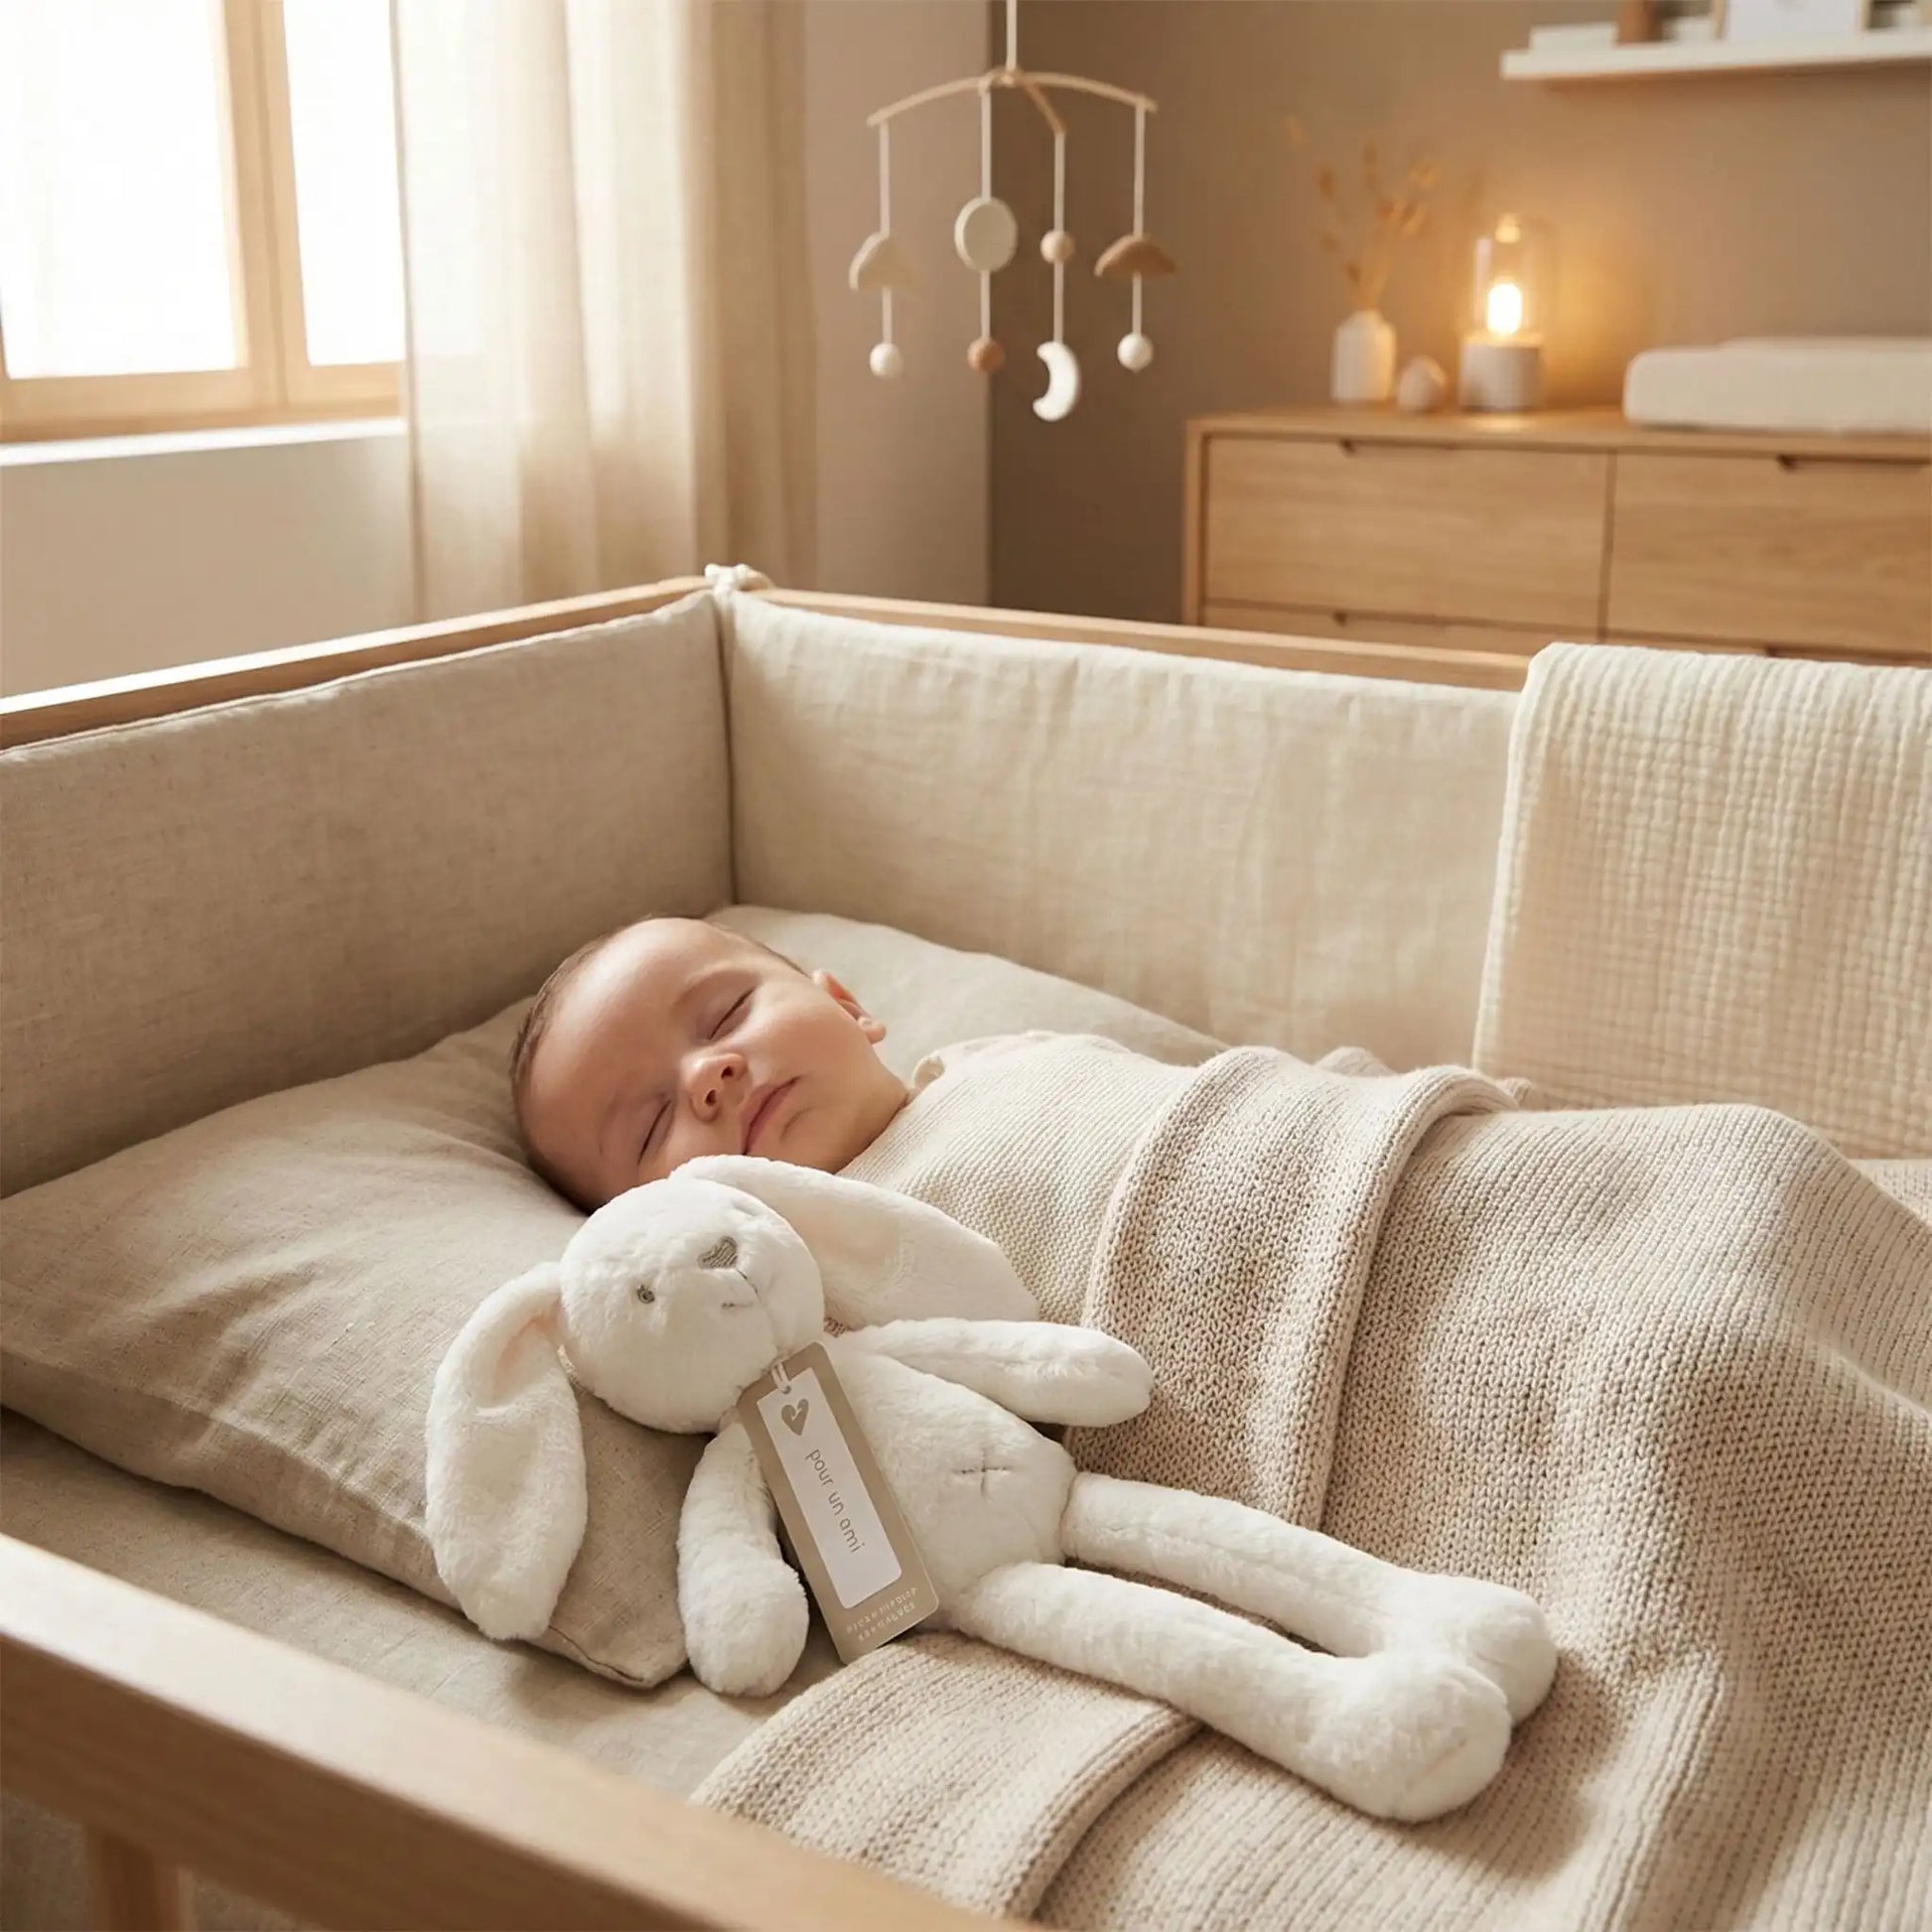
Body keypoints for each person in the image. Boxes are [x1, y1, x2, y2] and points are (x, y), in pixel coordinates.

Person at [511, 915, 912, 1213]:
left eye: (727, 1015)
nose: (706, 1074)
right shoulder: (778, 1302)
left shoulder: (971, 1068)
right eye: (652, 1126)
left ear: (845, 1004)